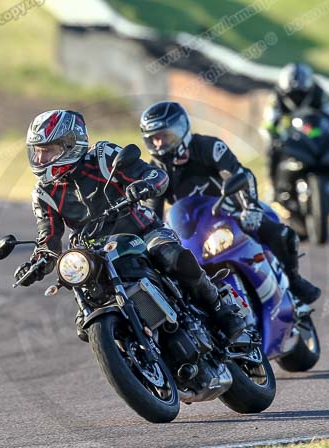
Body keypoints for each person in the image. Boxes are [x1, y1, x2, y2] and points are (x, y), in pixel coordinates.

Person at [16, 109, 245, 341]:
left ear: (70, 145)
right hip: (96, 253)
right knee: (84, 325)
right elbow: (49, 237)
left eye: (48, 151)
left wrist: (145, 185)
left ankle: (221, 310)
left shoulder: (104, 156)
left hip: (143, 233)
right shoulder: (43, 193)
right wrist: (38, 262)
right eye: (38, 152)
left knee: (174, 257)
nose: (41, 160)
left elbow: (155, 175)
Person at [139, 101, 321, 305]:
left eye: (164, 136)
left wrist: (250, 207)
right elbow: (151, 214)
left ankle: (294, 280)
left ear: (180, 129)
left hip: (233, 210)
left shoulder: (209, 147)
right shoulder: (155, 171)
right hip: (194, 229)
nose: (158, 144)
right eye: (153, 139)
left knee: (281, 234)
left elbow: (242, 175)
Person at [261, 62, 329, 187]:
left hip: (314, 130)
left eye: (300, 94)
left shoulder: (319, 94)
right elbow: (269, 122)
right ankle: (273, 184)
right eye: (292, 94)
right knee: (272, 150)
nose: (296, 97)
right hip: (289, 132)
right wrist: (274, 137)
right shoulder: (276, 97)